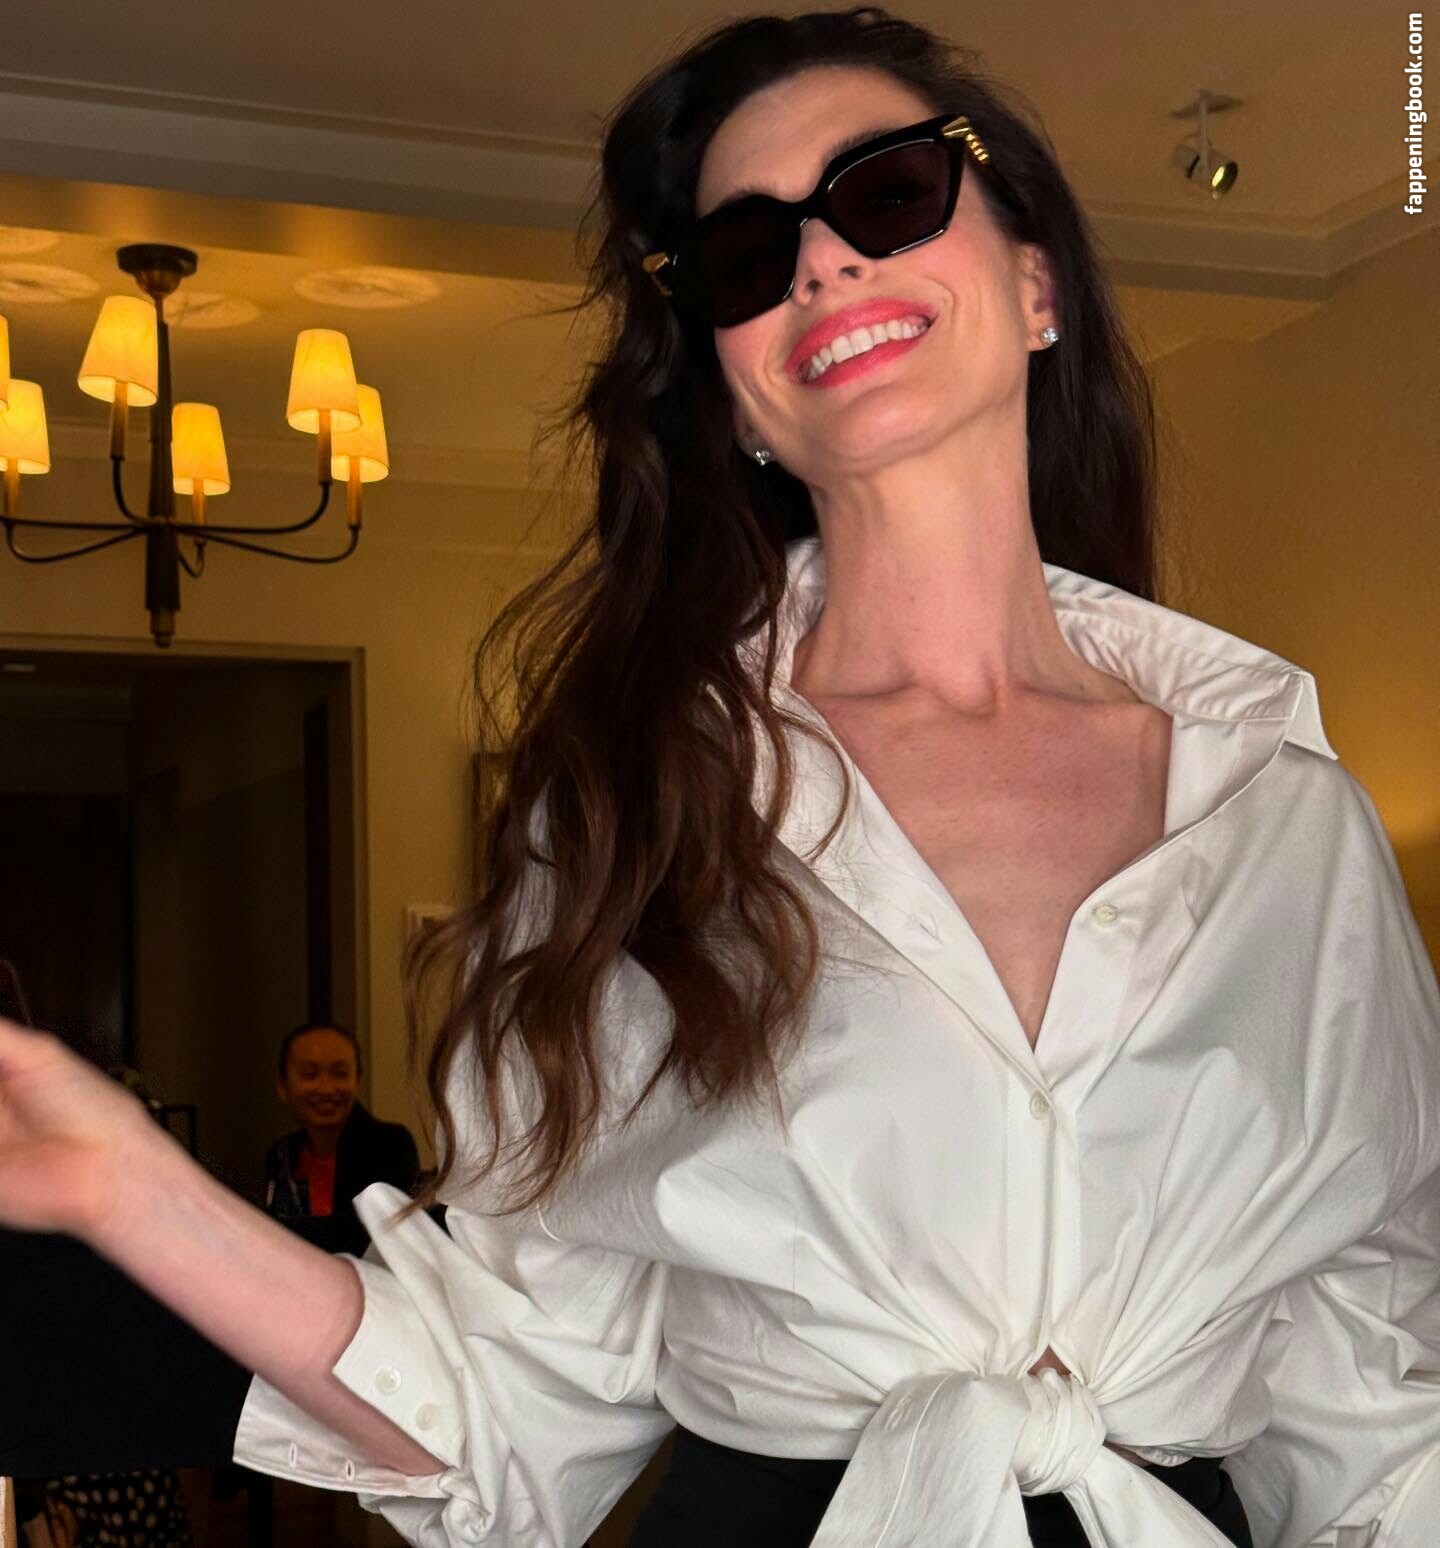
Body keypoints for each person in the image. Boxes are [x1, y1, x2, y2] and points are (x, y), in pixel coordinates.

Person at [0, 8, 1437, 1547]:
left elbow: (1377, 1394)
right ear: (735, 392)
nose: (819, 260)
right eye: (745, 257)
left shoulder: (1283, 814)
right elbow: (501, 1402)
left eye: (888, 193)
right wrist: (119, 1182)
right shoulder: (635, 810)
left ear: (1037, 284)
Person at [263, 1021, 421, 1258]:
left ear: (357, 1080)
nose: (326, 1089)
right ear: (283, 1086)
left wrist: (276, 1230)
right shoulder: (280, 1154)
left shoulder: (391, 1144)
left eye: (340, 1074)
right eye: (309, 1074)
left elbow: (375, 1232)